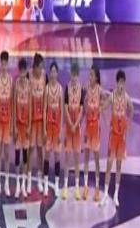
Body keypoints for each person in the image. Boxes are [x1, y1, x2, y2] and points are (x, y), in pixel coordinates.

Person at [101, 70, 134, 207]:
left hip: (122, 137)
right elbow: (102, 108)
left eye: (123, 83)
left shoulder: (126, 97)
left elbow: (132, 110)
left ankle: (116, 195)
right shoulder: (112, 96)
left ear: (124, 83)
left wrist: (128, 126)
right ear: (116, 83)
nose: (121, 85)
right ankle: (105, 195)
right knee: (109, 164)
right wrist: (107, 124)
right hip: (113, 135)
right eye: (119, 82)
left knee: (119, 165)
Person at [82, 66, 104, 202]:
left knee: (95, 158)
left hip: (96, 127)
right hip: (87, 126)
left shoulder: (100, 90)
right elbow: (84, 103)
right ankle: (85, 186)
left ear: (96, 77)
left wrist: (100, 108)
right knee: (86, 156)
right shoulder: (87, 89)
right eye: (89, 75)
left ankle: (96, 188)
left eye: (91, 75)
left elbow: (106, 100)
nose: (89, 77)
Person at [62, 63, 84, 200]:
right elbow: (65, 107)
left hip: (77, 128)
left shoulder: (81, 88)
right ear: (70, 74)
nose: (74, 77)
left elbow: (82, 109)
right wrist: (70, 123)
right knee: (67, 157)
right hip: (69, 127)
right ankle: (65, 186)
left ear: (78, 75)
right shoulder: (67, 87)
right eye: (72, 74)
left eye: (76, 75)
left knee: (76, 157)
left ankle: (76, 187)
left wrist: (76, 124)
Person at [0, 50, 13, 197]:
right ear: (0, 64)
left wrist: (11, 125)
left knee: (6, 153)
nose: (4, 66)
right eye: (3, 63)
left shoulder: (11, 80)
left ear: (8, 64)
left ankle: (6, 183)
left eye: (6, 64)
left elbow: (12, 104)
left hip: (8, 122)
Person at [43, 61, 64, 197]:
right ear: (50, 73)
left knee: (57, 156)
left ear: (57, 73)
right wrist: (45, 129)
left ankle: (56, 184)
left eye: (55, 72)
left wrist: (61, 129)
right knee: (47, 155)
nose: (53, 74)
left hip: (57, 127)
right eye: (52, 72)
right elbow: (45, 109)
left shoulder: (60, 89)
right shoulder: (47, 89)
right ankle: (45, 184)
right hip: (49, 126)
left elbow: (61, 110)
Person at [13, 58, 30, 199]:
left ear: (26, 71)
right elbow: (13, 106)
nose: (23, 74)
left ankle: (24, 185)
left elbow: (30, 106)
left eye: (24, 71)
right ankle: (18, 184)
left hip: (26, 126)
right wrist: (14, 126)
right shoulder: (16, 85)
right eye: (21, 71)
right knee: (17, 156)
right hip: (18, 125)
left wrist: (29, 126)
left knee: (25, 156)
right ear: (19, 71)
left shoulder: (29, 85)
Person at [29, 53, 46, 194]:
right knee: (30, 150)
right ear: (34, 67)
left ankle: (40, 179)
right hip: (31, 120)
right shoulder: (29, 77)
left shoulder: (44, 77)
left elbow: (46, 100)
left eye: (42, 67)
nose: (41, 69)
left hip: (41, 121)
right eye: (39, 67)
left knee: (40, 150)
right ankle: (28, 179)